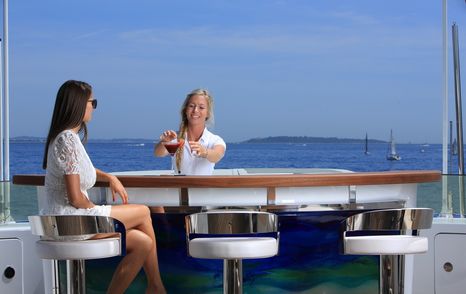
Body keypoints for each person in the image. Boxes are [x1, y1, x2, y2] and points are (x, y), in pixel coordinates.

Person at [42, 80, 166, 294]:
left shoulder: (64, 138)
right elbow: (75, 197)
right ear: (79, 104)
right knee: (144, 211)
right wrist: (95, 210)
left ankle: (151, 287)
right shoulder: (68, 140)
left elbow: (78, 170)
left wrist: (108, 176)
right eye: (93, 102)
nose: (94, 107)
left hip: (63, 221)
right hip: (71, 221)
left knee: (143, 242)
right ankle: (156, 287)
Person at [154, 88, 226, 175]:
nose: (195, 110)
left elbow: (217, 155)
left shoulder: (215, 140)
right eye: (191, 106)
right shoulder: (175, 138)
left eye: (201, 107)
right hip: (180, 188)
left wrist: (205, 152)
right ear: (185, 111)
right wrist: (165, 142)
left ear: (208, 113)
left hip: (203, 188)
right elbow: (158, 153)